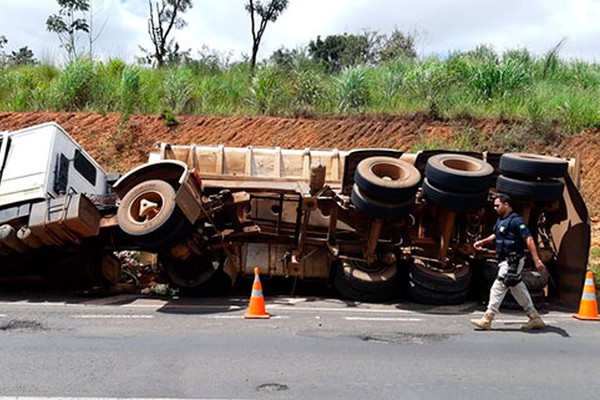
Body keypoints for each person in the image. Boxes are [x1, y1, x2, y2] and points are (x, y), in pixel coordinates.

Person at [470, 193, 547, 330]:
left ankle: (487, 318)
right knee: (518, 289)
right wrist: (482, 242)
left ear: (506, 205)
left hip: (513, 260)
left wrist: (536, 260)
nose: (495, 208)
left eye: (497, 205)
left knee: (498, 286)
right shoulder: (501, 220)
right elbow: (496, 235)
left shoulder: (516, 221)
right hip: (504, 260)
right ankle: (534, 317)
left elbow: (528, 239)